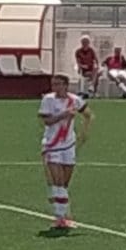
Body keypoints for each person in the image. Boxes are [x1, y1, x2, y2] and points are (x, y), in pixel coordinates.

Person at [39, 71, 93, 230]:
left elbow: (88, 115)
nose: (54, 87)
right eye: (53, 84)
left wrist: (84, 133)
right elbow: (47, 121)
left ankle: (61, 212)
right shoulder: (48, 100)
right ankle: (60, 217)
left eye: (57, 84)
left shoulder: (74, 100)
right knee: (59, 182)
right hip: (52, 144)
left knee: (65, 183)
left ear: (65, 85)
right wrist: (63, 115)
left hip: (68, 145)